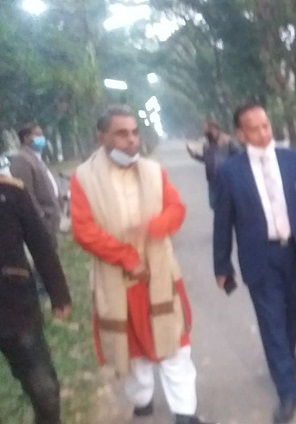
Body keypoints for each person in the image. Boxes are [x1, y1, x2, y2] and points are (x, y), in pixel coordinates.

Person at [70, 106, 215, 424]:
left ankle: (185, 413)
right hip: (116, 280)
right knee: (132, 350)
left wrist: (153, 227)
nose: (132, 140)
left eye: (135, 132)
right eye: (122, 134)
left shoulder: (153, 171)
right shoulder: (84, 178)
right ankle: (143, 399)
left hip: (159, 275)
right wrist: (127, 258)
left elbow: (176, 209)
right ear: (102, 137)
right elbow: (83, 230)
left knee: (175, 345)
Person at [213, 103, 296, 424]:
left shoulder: (295, 160)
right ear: (241, 134)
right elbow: (223, 223)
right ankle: (287, 390)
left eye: (266, 125)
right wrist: (222, 265)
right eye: (254, 129)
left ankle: (286, 354)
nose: (263, 133)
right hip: (260, 257)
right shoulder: (229, 172)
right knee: (272, 323)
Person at [0, 172, 72, 424]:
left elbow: (40, 244)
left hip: (15, 307)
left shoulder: (11, 192)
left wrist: (59, 293)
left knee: (46, 393)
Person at [10, 123, 61, 247]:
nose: (42, 138)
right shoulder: (22, 159)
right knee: (45, 257)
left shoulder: (35, 157)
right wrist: (41, 217)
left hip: (48, 221)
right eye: (38, 134)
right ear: (26, 138)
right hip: (40, 223)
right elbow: (26, 194)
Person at [186, 119, 243, 209]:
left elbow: (239, 156)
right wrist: (194, 155)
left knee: (227, 204)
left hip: (226, 178)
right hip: (212, 179)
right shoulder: (207, 145)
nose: (206, 133)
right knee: (214, 204)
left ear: (216, 129)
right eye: (205, 131)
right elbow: (206, 160)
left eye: (209, 130)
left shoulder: (227, 142)